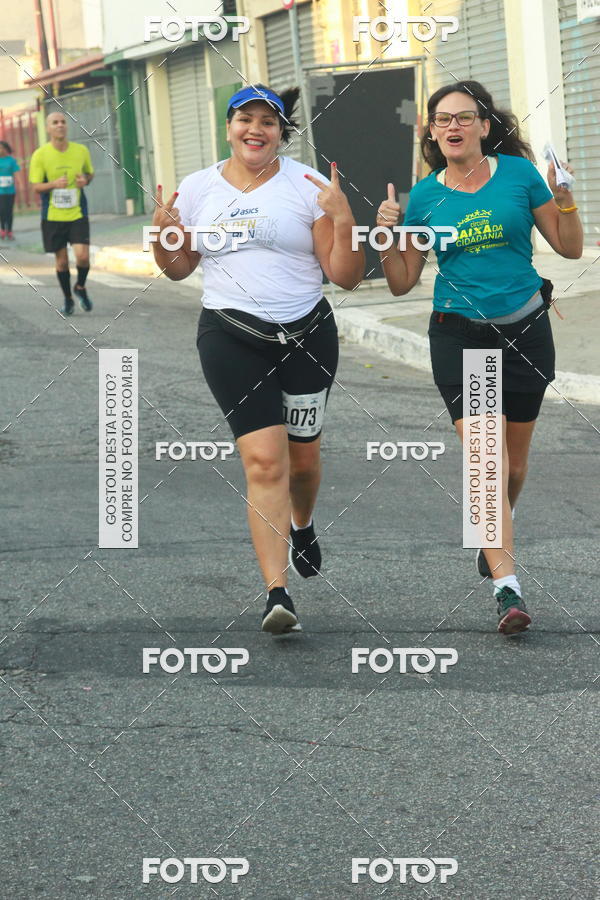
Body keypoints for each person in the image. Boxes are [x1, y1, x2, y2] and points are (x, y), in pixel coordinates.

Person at [151, 84, 364, 634]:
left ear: (280, 134)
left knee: (304, 462)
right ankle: (277, 592)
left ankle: (304, 522)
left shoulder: (307, 185)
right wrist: (163, 236)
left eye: (268, 122)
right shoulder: (198, 188)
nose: (256, 130)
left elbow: (345, 276)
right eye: (245, 119)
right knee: (265, 462)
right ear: (229, 127)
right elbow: (178, 268)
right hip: (230, 334)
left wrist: (342, 219)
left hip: (307, 335)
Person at [376, 80, 582, 636]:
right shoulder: (423, 198)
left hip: (526, 331)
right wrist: (388, 235)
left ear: (486, 127)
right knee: (487, 462)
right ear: (432, 131)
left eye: (464, 118)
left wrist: (564, 196)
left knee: (513, 467)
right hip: (459, 334)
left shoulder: (518, 176)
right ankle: (507, 588)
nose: (452, 127)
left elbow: (570, 246)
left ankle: (494, 540)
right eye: (441, 120)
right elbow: (400, 284)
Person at [29, 111, 95, 316]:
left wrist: (85, 180)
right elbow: (36, 187)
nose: (60, 125)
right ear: (48, 128)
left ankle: (80, 287)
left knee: (82, 257)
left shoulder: (81, 150)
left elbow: (89, 173)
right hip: (52, 217)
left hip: (77, 213)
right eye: (55, 122)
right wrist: (54, 184)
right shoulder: (40, 154)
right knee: (62, 261)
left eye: (63, 122)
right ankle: (68, 299)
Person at [0, 140, 19, 240]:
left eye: (2, 148)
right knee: (2, 210)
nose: (1, 150)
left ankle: (10, 231)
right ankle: (3, 229)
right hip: (0, 191)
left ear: (6, 149)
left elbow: (16, 172)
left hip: (10, 191)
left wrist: (20, 184)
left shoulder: (11, 160)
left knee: (9, 211)